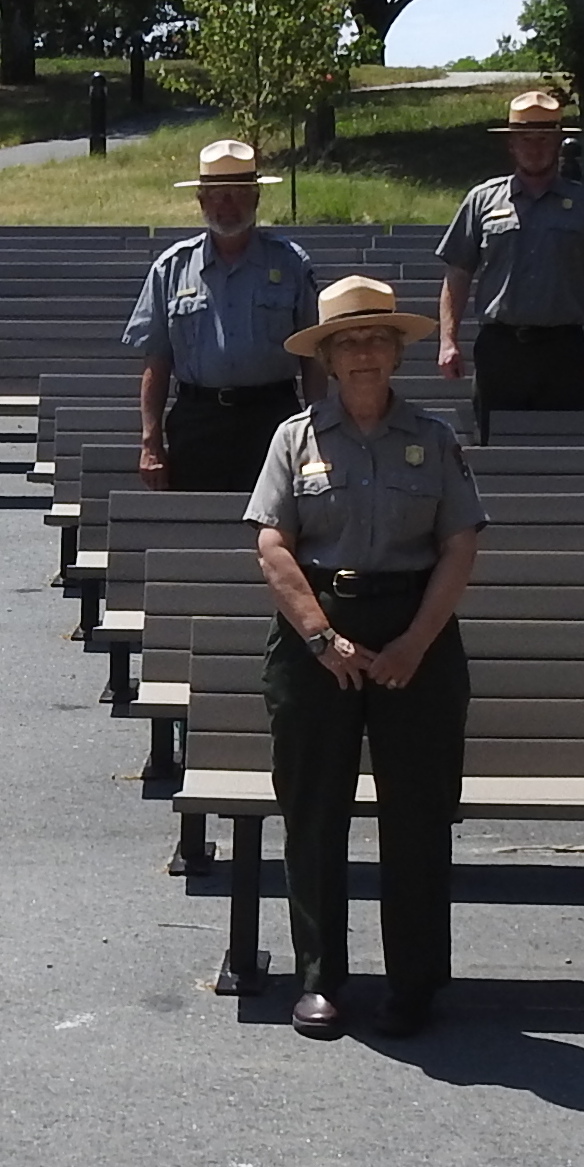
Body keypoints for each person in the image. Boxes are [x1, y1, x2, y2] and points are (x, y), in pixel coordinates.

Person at [248, 276, 487, 1042]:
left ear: (396, 350)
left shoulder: (435, 436)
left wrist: (415, 642)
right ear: (326, 355)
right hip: (320, 635)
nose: (363, 353)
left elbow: (459, 543)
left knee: (418, 816)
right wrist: (322, 637)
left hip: (414, 632)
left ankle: (414, 982)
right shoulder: (295, 439)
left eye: (376, 339)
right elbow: (273, 544)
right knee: (314, 812)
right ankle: (320, 977)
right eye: (347, 341)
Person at [125, 137, 321, 500]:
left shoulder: (291, 264)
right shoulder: (172, 269)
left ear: (257, 197)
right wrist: (150, 442)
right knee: (197, 531)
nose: (227, 204)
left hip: (273, 419)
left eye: (238, 192)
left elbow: (313, 357)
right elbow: (157, 360)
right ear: (200, 200)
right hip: (199, 421)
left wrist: (318, 432)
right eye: (216, 194)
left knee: (274, 528)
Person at [431, 88, 584, 425]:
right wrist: (448, 340)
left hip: (563, 350)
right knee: (494, 452)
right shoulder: (482, 200)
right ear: (511, 144)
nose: (534, 147)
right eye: (525, 138)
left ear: (559, 143)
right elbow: (458, 272)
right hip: (500, 349)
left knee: (564, 453)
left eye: (543, 138)